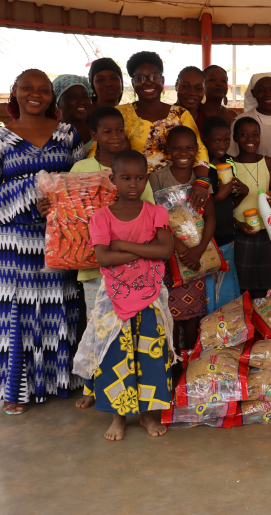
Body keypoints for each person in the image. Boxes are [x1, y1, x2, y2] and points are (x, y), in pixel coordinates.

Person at [1, 69, 84, 415]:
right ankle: (16, 389)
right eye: (27, 88)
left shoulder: (68, 134)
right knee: (17, 312)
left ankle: (61, 380)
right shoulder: (2, 137)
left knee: (60, 306)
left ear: (52, 97)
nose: (35, 94)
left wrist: (61, 202)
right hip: (16, 242)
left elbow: (82, 181)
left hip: (61, 239)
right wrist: (29, 194)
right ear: (14, 92)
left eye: (43, 90)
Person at [78, 149, 175, 440]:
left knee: (151, 355)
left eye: (139, 178)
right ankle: (118, 417)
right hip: (114, 298)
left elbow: (165, 251)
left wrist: (121, 245)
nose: (133, 184)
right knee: (115, 355)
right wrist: (144, 251)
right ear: (113, 179)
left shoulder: (156, 212)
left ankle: (148, 416)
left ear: (147, 178)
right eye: (125, 178)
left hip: (150, 296)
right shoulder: (101, 217)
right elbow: (103, 258)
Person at [69, 107, 155, 411]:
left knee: (129, 331)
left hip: (133, 268)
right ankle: (93, 386)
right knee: (98, 326)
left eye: (120, 130)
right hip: (94, 265)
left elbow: (149, 213)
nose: (115, 136)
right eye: (107, 131)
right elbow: (69, 212)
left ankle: (131, 386)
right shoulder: (81, 168)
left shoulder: (134, 166)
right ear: (94, 135)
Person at [106, 51, 210, 211]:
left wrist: (202, 182)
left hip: (175, 193)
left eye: (154, 77)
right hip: (132, 194)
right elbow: (102, 151)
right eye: (140, 78)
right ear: (133, 83)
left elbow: (199, 149)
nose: (148, 82)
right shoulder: (120, 114)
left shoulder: (180, 114)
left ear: (162, 80)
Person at [228, 72, 271, 293]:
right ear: (253, 93)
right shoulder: (240, 121)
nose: (268, 94)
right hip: (246, 224)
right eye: (262, 90)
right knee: (245, 279)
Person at [149, 127, 216, 355]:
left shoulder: (201, 180)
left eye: (189, 148)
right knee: (171, 311)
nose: (183, 153)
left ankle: (189, 357)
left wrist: (199, 249)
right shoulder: (157, 178)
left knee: (193, 311)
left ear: (196, 150)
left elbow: (210, 217)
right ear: (168, 150)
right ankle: (173, 358)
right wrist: (181, 249)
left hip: (196, 255)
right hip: (171, 256)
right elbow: (155, 219)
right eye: (177, 148)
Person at [231, 117, 271, 299]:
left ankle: (262, 315)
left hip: (267, 230)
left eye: (255, 134)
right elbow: (225, 206)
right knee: (242, 286)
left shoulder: (267, 162)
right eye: (244, 134)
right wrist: (237, 224)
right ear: (235, 138)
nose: (250, 139)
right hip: (241, 231)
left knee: (264, 286)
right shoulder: (230, 165)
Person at [200, 116, 241, 312]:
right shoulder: (202, 168)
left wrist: (242, 192)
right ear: (204, 139)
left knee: (227, 285)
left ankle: (227, 323)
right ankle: (208, 323)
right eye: (216, 140)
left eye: (226, 140)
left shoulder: (230, 162)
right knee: (209, 287)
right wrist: (219, 196)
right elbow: (198, 205)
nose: (223, 145)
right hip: (209, 237)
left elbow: (231, 201)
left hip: (227, 233)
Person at [52, 75, 92, 151]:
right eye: (74, 97)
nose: (82, 101)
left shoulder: (98, 133)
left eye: (85, 97)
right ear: (58, 103)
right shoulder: (49, 135)